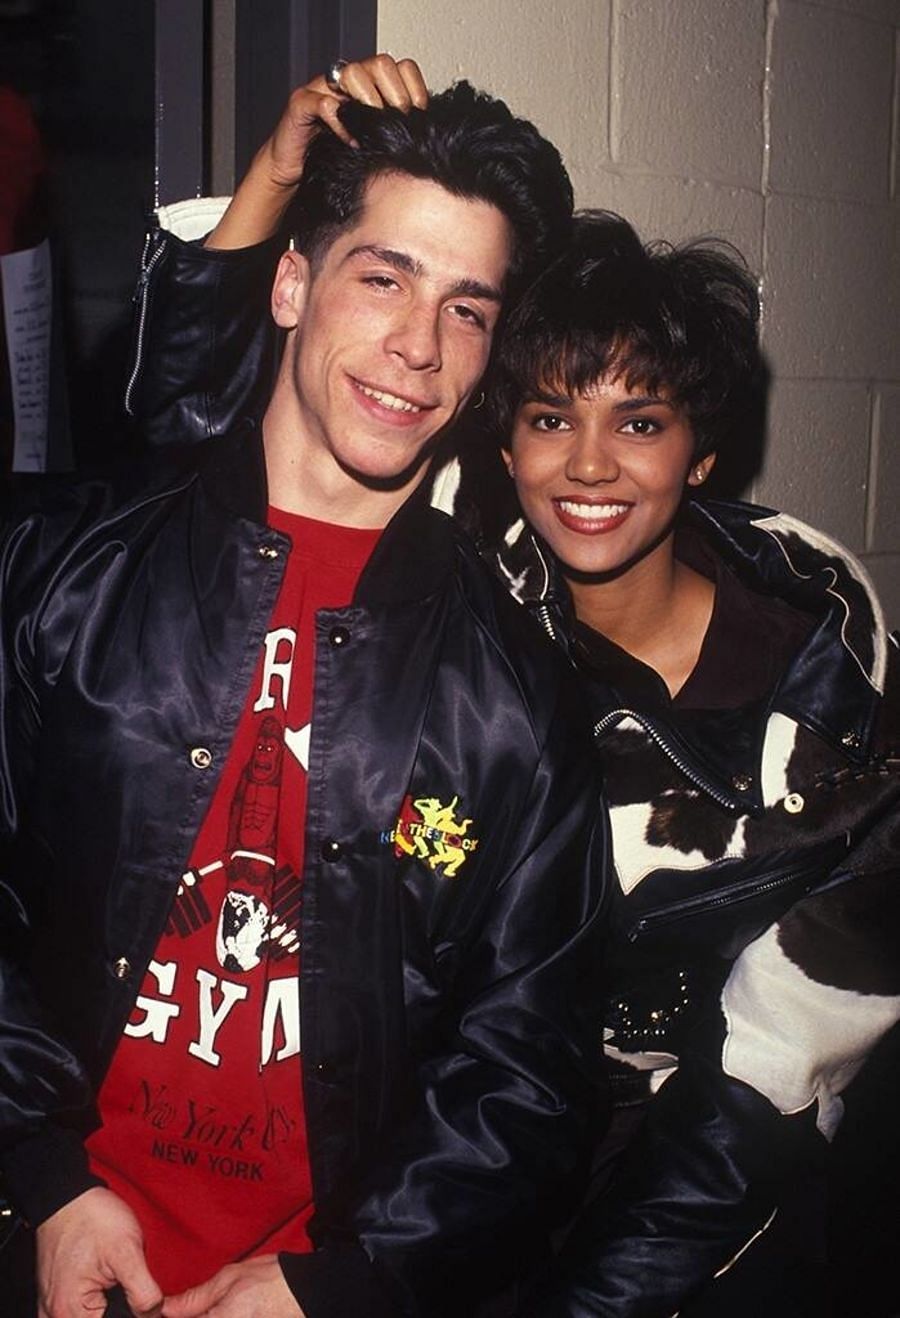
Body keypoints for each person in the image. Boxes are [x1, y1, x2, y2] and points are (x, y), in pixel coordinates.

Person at [0, 58, 610, 1318]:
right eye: (382, 276)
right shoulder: (65, 564)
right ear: (292, 281)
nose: (417, 347)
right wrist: (41, 1174)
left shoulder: (515, 697)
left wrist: (346, 1280)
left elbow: (525, 1065)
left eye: (467, 309)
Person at [483, 211, 900, 1316]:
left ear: (700, 449)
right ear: (507, 441)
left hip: (742, 1181)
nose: (586, 463)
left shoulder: (831, 673)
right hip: (498, 1164)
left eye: (641, 419)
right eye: (548, 415)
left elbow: (791, 1047)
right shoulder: (471, 657)